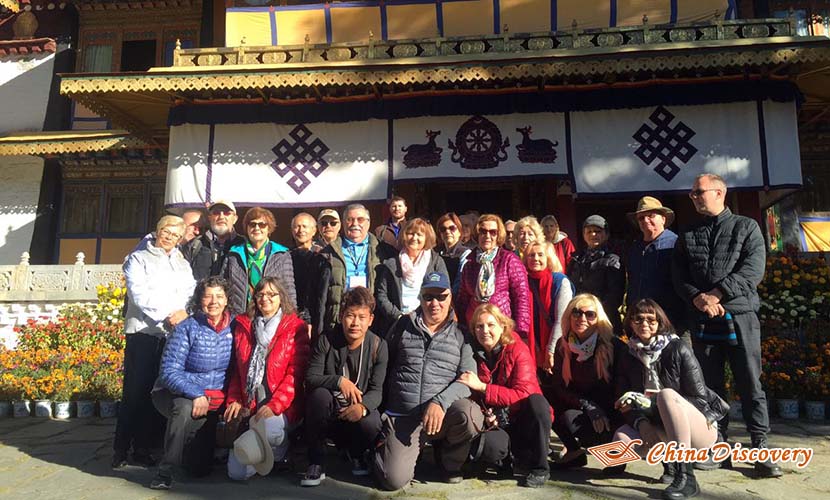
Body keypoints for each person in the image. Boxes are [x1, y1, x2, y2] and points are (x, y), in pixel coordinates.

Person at [672, 173, 781, 478]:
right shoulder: (688, 232)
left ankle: (761, 446)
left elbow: (752, 270)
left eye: (698, 192)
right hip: (702, 317)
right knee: (709, 385)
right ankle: (718, 446)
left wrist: (717, 294)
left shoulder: (747, 227)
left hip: (740, 313)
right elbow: (679, 276)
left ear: (720, 192)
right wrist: (699, 300)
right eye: (692, 193)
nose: (693, 197)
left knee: (750, 382)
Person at [373, 271, 482, 490]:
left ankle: (449, 462)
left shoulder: (461, 335)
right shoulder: (402, 326)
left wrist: (440, 402)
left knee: (470, 416)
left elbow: (468, 379)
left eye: (441, 297)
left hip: (443, 414)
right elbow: (383, 364)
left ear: (450, 297)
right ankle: (386, 448)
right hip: (404, 415)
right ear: (420, 298)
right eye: (429, 297)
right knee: (391, 480)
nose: (435, 303)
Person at [612, 299, 728, 499]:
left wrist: (654, 406)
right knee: (621, 441)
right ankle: (669, 465)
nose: (644, 324)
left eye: (651, 319)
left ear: (660, 323)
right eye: (638, 319)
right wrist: (641, 423)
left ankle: (687, 476)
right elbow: (624, 399)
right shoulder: (628, 354)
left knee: (666, 396)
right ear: (630, 323)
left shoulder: (677, 348)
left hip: (699, 427)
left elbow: (700, 399)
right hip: (659, 424)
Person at [113, 215, 195, 470]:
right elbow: (139, 294)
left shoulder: (181, 263)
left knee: (157, 393)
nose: (169, 237)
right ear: (158, 231)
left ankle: (143, 448)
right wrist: (167, 316)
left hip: (171, 335)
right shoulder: (138, 258)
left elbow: (190, 291)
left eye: (175, 234)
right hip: (144, 332)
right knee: (135, 393)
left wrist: (183, 315)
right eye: (166, 231)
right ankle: (121, 450)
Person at [150, 277, 233, 490]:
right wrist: (196, 393)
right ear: (199, 300)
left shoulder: (235, 327)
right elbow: (169, 371)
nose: (213, 301)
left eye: (219, 296)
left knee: (199, 469)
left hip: (217, 399)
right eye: (208, 296)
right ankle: (165, 471)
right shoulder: (187, 328)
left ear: (227, 300)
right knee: (183, 408)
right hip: (183, 393)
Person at [224, 277, 310, 480]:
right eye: (261, 294)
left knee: (270, 429)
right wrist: (234, 399)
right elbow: (238, 370)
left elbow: (295, 375)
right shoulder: (244, 326)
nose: (266, 299)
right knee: (236, 473)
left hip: (282, 405)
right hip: (250, 402)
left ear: (282, 297)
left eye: (272, 294)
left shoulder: (295, 327)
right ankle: (266, 456)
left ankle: (280, 449)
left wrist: (275, 405)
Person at [459, 303, 554, 488]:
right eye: (479, 326)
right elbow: (472, 394)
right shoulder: (472, 353)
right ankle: (507, 458)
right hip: (497, 421)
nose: (484, 330)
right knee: (491, 448)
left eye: (490, 325)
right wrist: (485, 413)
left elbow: (523, 393)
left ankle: (541, 467)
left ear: (503, 326)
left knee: (538, 402)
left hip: (524, 418)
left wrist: (484, 388)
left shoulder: (518, 349)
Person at [302, 287, 388, 486]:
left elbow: (377, 390)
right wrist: (339, 381)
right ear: (341, 316)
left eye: (361, 317)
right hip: (331, 411)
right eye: (350, 315)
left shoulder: (378, 346)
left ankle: (357, 454)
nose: (355, 323)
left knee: (371, 422)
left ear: (370, 320)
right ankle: (316, 462)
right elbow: (311, 377)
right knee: (319, 397)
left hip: (356, 412)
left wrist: (363, 407)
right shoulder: (327, 339)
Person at [548, 294, 617, 468]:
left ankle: (614, 450)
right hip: (584, 408)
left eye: (590, 314)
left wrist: (602, 411)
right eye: (576, 313)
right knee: (544, 394)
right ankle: (574, 451)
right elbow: (559, 387)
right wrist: (587, 405)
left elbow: (619, 390)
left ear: (599, 319)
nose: (582, 318)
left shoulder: (613, 347)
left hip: (610, 414)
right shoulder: (563, 346)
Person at [315, 203, 393, 333]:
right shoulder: (327, 253)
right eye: (350, 219)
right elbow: (316, 292)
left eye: (360, 219)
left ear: (368, 223)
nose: (354, 224)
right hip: (338, 320)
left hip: (373, 320)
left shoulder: (383, 251)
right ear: (343, 223)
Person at [457, 214, 531, 343]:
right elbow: (463, 299)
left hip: (501, 327)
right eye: (483, 231)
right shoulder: (470, 263)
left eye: (493, 232)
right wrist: (462, 327)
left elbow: (522, 297)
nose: (487, 236)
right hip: (475, 329)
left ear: (499, 235)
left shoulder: (509, 260)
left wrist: (521, 331)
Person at [375, 218, 448, 335]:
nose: (414, 238)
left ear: (426, 238)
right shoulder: (391, 264)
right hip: (398, 322)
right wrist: (398, 316)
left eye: (419, 234)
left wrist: (428, 316)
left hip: (428, 322)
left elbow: (445, 292)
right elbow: (381, 294)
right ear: (404, 236)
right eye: (410, 233)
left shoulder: (436, 262)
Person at [626, 196, 686, 337]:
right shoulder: (634, 248)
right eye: (641, 218)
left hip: (671, 321)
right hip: (640, 322)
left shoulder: (677, 245)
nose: (646, 220)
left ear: (663, 219)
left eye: (651, 215)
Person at [222, 207, 296, 316]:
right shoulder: (234, 254)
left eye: (262, 225)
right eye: (252, 224)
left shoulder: (282, 254)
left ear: (269, 228)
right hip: (240, 316)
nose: (257, 228)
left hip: (272, 317)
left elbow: (289, 290)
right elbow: (223, 286)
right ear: (247, 228)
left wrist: (292, 318)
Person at [566, 215, 625, 335]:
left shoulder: (612, 260)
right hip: (579, 319)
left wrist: (593, 314)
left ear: (606, 234)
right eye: (589, 231)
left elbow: (615, 296)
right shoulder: (576, 259)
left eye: (597, 231)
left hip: (604, 319)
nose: (593, 235)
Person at [524, 241, 573, 371]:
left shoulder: (560, 281)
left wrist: (550, 351)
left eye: (540, 255)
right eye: (531, 255)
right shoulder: (522, 281)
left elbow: (562, 320)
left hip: (557, 345)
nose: (535, 258)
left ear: (548, 258)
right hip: (531, 347)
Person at [181, 200, 243, 282]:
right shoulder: (194, 245)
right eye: (216, 213)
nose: (221, 217)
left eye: (227, 213)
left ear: (235, 219)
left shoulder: (243, 245)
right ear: (209, 218)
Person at [290, 212, 323, 330]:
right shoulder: (286, 256)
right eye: (297, 226)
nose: (300, 230)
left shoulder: (322, 255)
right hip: (294, 311)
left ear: (314, 231)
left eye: (304, 226)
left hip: (317, 311)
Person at [435, 212, 471, 289]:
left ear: (459, 232)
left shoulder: (466, 253)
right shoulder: (436, 254)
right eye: (443, 229)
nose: (447, 232)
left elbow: (460, 280)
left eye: (452, 228)